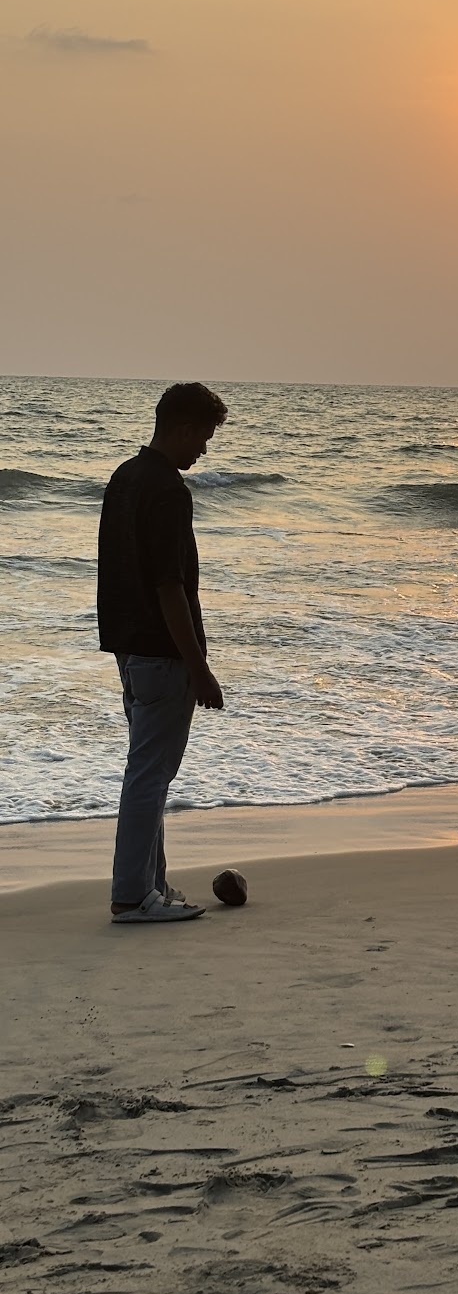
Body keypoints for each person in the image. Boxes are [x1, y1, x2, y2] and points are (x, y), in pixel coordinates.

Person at [97, 382, 228, 922]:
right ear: (182, 428)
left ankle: (152, 885)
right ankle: (132, 896)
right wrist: (199, 667)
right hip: (162, 653)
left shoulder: (125, 477)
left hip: (128, 649)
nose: (204, 449)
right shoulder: (169, 491)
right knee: (150, 775)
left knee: (148, 770)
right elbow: (169, 586)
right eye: (202, 436)